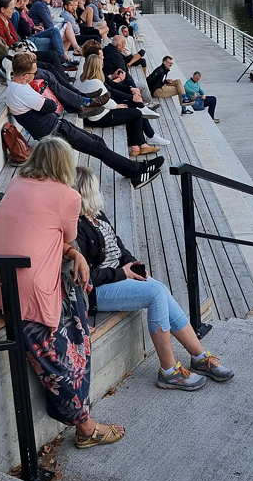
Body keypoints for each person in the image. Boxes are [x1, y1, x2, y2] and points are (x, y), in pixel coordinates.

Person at [0, 137, 125, 448]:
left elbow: (57, 240)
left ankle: (81, 405)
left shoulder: (16, 182)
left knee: (71, 297)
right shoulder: (68, 196)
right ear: (64, 165)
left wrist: (75, 254)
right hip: (24, 289)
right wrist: (75, 254)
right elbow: (66, 235)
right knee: (67, 346)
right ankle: (86, 427)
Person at [73, 166, 234, 390]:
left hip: (116, 279)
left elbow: (118, 247)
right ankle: (169, 371)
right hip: (95, 292)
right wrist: (122, 273)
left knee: (159, 287)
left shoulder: (96, 215)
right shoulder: (75, 227)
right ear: (87, 191)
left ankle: (199, 357)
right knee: (156, 293)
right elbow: (86, 277)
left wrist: (134, 265)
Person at [6, 52, 163, 190]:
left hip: (58, 127)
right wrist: (45, 96)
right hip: (54, 135)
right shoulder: (21, 91)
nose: (36, 75)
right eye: (34, 73)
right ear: (25, 75)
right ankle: (137, 171)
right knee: (97, 147)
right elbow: (51, 106)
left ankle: (131, 169)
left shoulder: (18, 86)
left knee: (97, 141)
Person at [77, 55, 169, 152]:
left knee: (131, 106)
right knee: (137, 114)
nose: (102, 67)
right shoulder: (96, 82)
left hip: (95, 114)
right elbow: (105, 100)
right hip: (100, 117)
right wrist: (116, 106)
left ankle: (142, 142)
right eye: (101, 65)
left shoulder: (82, 80)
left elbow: (104, 96)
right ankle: (139, 144)